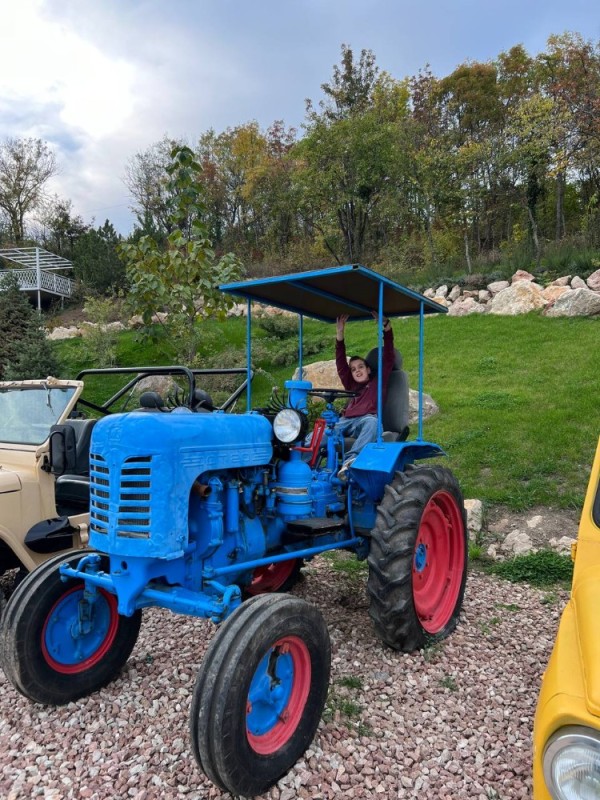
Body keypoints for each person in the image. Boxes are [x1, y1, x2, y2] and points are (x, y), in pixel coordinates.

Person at [334, 311, 395, 477]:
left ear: (368, 369)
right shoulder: (350, 385)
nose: (357, 371)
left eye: (360, 367)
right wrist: (340, 335)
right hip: (345, 421)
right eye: (353, 369)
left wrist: (386, 327)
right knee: (321, 430)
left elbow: (389, 356)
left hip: (365, 420)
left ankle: (350, 461)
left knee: (373, 423)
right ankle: (301, 464)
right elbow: (340, 363)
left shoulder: (378, 381)